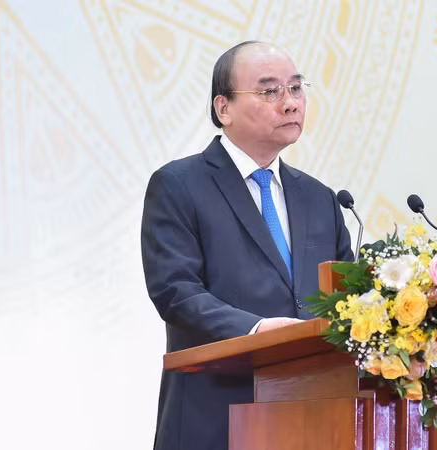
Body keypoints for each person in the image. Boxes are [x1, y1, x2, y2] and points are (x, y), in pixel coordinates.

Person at [140, 41, 354, 450]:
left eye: (296, 88)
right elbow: (176, 292)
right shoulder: (179, 185)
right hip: (216, 418)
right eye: (269, 91)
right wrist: (257, 331)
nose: (290, 103)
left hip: (316, 421)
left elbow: (345, 299)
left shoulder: (320, 198)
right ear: (224, 108)